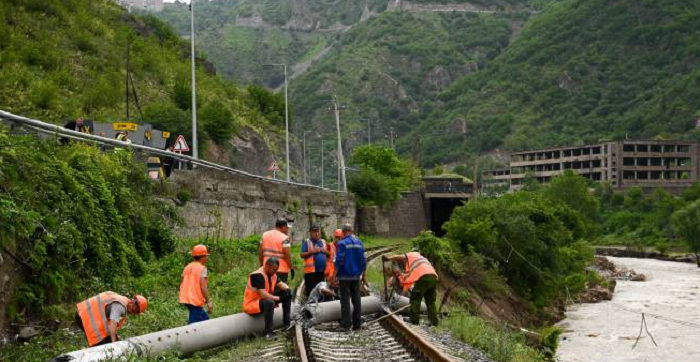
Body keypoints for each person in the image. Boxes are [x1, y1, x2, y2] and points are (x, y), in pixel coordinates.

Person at [384, 250, 439, 326]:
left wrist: (389, 258)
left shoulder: (413, 255)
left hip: (424, 277)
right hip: (433, 277)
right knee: (430, 301)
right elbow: (409, 281)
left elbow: (400, 256)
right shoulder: (422, 260)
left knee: (415, 298)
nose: (404, 261)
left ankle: (414, 320)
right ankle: (434, 322)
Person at [75, 292, 148, 347]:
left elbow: (110, 321)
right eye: (135, 311)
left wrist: (115, 338)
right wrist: (114, 344)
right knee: (100, 346)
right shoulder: (120, 306)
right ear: (135, 308)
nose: (133, 313)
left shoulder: (122, 300)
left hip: (83, 311)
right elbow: (112, 325)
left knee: (108, 340)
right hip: (85, 316)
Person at [243, 257, 292, 337]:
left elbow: (281, 284)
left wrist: (287, 290)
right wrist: (279, 298)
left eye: (276, 270)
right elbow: (263, 295)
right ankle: (268, 332)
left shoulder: (272, 274)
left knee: (286, 293)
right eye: (274, 270)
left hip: (264, 300)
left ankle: (287, 323)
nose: (275, 272)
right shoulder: (257, 275)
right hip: (252, 303)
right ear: (267, 266)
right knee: (269, 302)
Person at [333, 223, 366, 331]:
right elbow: (363, 259)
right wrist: (363, 274)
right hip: (356, 276)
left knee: (345, 301)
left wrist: (334, 275)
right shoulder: (359, 242)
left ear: (343, 232)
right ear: (351, 231)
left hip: (344, 276)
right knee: (357, 300)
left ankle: (346, 325)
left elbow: (339, 261)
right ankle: (357, 324)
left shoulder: (342, 243)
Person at [179, 244, 213, 324]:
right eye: (206, 256)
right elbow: (203, 286)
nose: (207, 258)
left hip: (185, 298)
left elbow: (181, 281)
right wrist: (208, 301)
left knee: (204, 319)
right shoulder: (202, 268)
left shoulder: (187, 267)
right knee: (194, 324)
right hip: (194, 300)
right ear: (202, 257)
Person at [259, 218, 294, 283]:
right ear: (283, 227)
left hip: (267, 268)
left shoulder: (264, 235)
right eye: (287, 227)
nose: (287, 229)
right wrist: (291, 267)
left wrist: (262, 264)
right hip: (281, 270)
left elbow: (260, 252)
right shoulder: (285, 238)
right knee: (280, 290)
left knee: (268, 289)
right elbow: (287, 254)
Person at [300, 224, 329, 297]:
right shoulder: (307, 242)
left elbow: (329, 254)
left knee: (321, 291)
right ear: (310, 232)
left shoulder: (323, 242)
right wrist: (311, 252)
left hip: (321, 271)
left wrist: (325, 251)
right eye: (314, 232)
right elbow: (302, 255)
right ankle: (310, 306)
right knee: (311, 291)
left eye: (317, 231)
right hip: (310, 272)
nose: (316, 233)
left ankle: (320, 305)